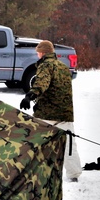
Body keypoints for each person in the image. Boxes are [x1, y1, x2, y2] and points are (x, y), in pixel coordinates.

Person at [19, 40, 82, 182]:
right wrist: (38, 102)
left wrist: (30, 96)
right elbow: (56, 89)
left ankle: (31, 170)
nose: (37, 55)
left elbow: (42, 84)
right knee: (69, 145)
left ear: (42, 52)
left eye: (38, 52)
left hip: (47, 114)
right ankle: (74, 174)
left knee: (35, 141)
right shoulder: (63, 67)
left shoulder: (45, 66)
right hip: (65, 113)